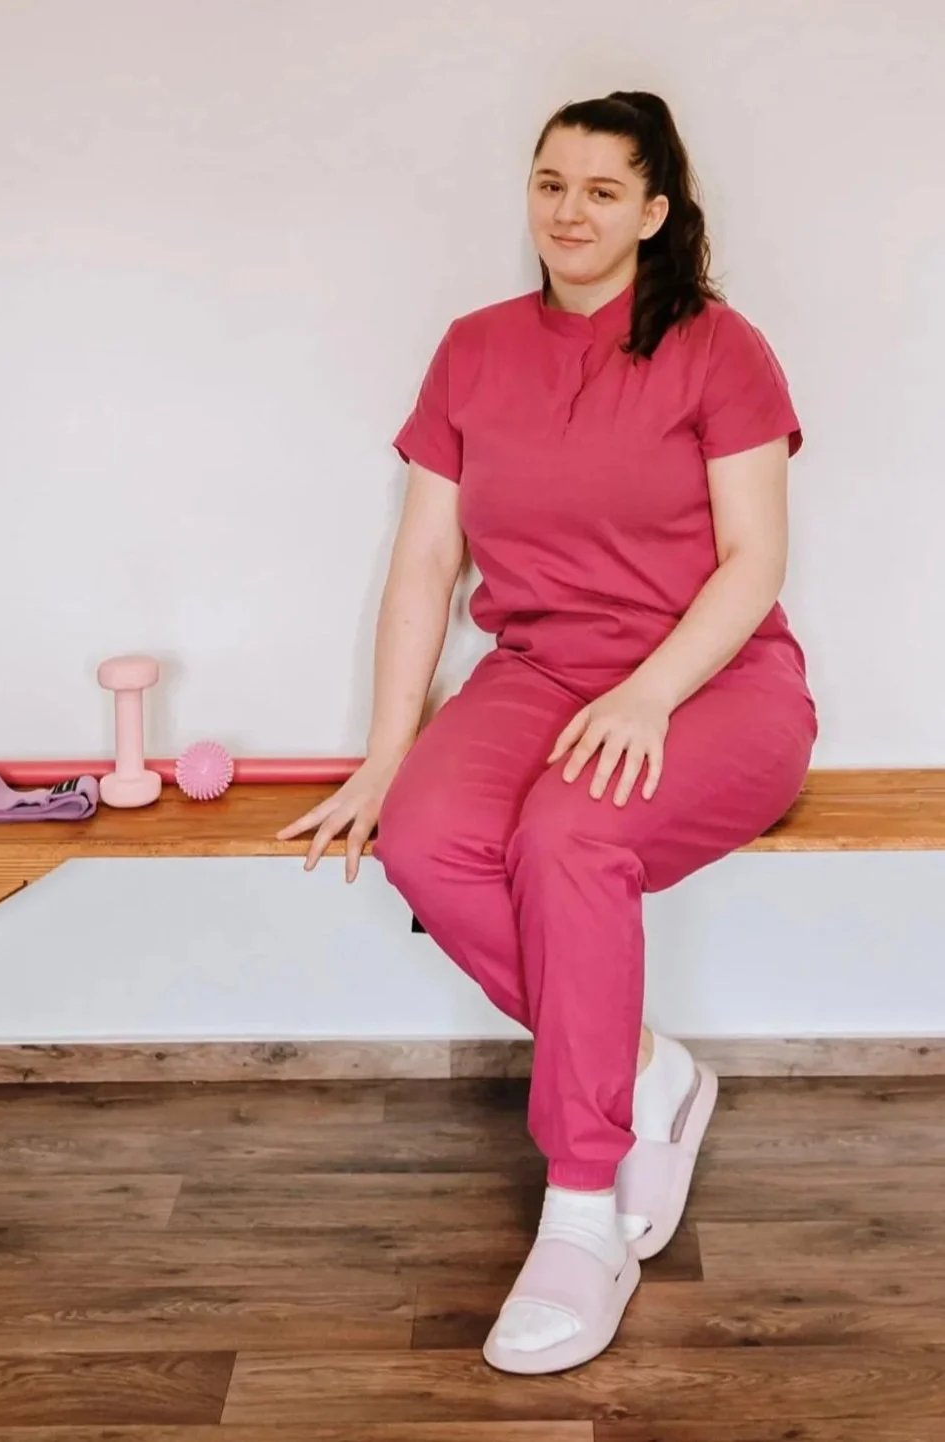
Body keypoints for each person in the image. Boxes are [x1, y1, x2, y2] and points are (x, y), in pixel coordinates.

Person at [277, 90, 817, 1374]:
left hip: (715, 675)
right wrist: (385, 744)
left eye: (598, 190)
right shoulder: (471, 349)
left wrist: (647, 694)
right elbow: (424, 565)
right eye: (549, 183)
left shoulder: (718, 348)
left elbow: (751, 562)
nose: (567, 211)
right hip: (532, 672)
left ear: (652, 214)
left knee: (567, 836)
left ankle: (580, 1206)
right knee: (421, 838)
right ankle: (640, 1074)